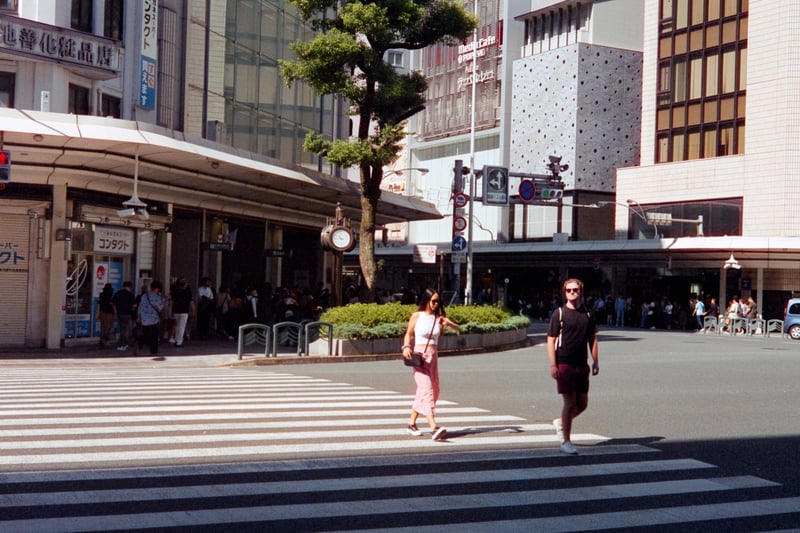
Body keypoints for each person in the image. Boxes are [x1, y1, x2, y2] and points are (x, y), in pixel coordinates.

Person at [546, 278, 599, 455]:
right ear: (565, 292)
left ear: (581, 292)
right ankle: (566, 441)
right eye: (568, 290)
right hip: (564, 362)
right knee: (569, 403)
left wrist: (595, 360)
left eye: (575, 290)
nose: (572, 293)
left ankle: (561, 422)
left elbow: (592, 338)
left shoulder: (588, 314)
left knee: (582, 404)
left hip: (581, 364)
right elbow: (551, 339)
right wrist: (553, 365)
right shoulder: (559, 313)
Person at [402, 289, 460, 441]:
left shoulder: (438, 318)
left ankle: (411, 424)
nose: (436, 304)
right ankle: (434, 426)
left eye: (438, 302)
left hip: (433, 357)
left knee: (433, 390)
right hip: (419, 357)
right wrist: (406, 347)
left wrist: (449, 324)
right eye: (433, 301)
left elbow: (458, 329)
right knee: (426, 389)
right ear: (426, 300)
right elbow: (408, 334)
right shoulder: (417, 316)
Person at [135, 281, 165, 355]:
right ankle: (154, 351)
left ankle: (139, 345)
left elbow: (140, 307)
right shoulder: (157, 297)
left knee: (146, 334)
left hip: (145, 319)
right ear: (157, 289)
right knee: (154, 336)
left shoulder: (144, 296)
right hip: (154, 319)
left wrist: (139, 317)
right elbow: (160, 307)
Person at [112, 281, 136, 351]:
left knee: (122, 328)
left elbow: (113, 303)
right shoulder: (130, 295)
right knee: (125, 330)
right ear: (130, 287)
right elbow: (134, 305)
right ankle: (124, 344)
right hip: (127, 314)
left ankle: (123, 344)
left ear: (123, 286)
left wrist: (115, 313)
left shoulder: (118, 293)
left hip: (119, 314)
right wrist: (131, 310)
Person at [170, 278, 194, 347]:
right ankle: (179, 342)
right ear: (185, 285)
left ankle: (176, 340)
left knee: (177, 325)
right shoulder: (188, 292)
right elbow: (191, 303)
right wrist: (193, 311)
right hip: (184, 311)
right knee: (182, 326)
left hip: (176, 310)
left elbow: (172, 302)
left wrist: (171, 310)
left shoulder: (175, 292)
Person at [97, 283, 115, 347]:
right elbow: (113, 305)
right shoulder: (111, 296)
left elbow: (99, 304)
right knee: (108, 327)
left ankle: (102, 339)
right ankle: (105, 340)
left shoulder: (101, 295)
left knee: (103, 327)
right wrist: (115, 314)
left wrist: (98, 313)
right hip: (109, 313)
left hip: (102, 312)